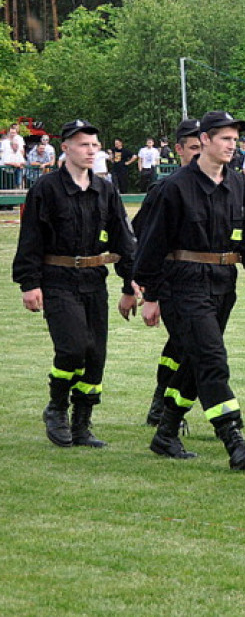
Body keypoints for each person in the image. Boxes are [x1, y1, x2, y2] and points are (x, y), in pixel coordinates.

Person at [133, 110, 245, 470]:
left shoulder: (239, 187)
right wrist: (150, 295)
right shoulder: (175, 188)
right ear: (204, 141)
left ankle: (165, 433)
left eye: (236, 140)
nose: (233, 146)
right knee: (213, 358)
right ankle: (234, 440)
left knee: (192, 359)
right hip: (181, 285)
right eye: (226, 139)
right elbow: (151, 247)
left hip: (222, 284)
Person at [12, 119, 139, 448]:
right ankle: (56, 407)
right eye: (83, 144)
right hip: (57, 279)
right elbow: (30, 240)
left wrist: (130, 283)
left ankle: (82, 424)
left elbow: (123, 239)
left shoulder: (105, 189)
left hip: (94, 280)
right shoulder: (47, 188)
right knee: (73, 348)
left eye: (95, 145)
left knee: (96, 355)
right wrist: (29, 283)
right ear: (65, 147)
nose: (91, 151)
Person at [137, 118, 204, 427]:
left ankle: (161, 404)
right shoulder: (167, 187)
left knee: (180, 346)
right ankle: (168, 409)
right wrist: (149, 289)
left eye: (204, 146)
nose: (200, 154)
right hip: (171, 281)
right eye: (193, 148)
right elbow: (142, 236)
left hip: (204, 284)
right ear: (178, 150)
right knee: (191, 346)